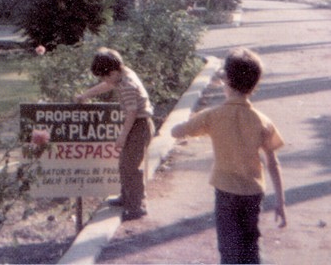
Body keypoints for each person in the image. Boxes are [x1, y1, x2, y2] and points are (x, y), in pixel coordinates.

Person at [172, 47, 287, 264]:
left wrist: (180, 124)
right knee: (250, 245)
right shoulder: (262, 121)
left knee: (229, 248)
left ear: (226, 80)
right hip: (253, 192)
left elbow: (178, 131)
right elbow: (273, 163)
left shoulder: (213, 116)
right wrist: (280, 201)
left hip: (225, 190)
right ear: (254, 85)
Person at [75, 47, 154, 221]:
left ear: (112, 72)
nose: (104, 80)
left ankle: (137, 206)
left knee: (131, 166)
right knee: (124, 163)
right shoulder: (122, 74)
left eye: (105, 76)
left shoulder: (127, 85)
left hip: (139, 125)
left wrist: (122, 136)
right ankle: (126, 196)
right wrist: (86, 95)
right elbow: (107, 85)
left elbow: (132, 113)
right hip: (136, 124)